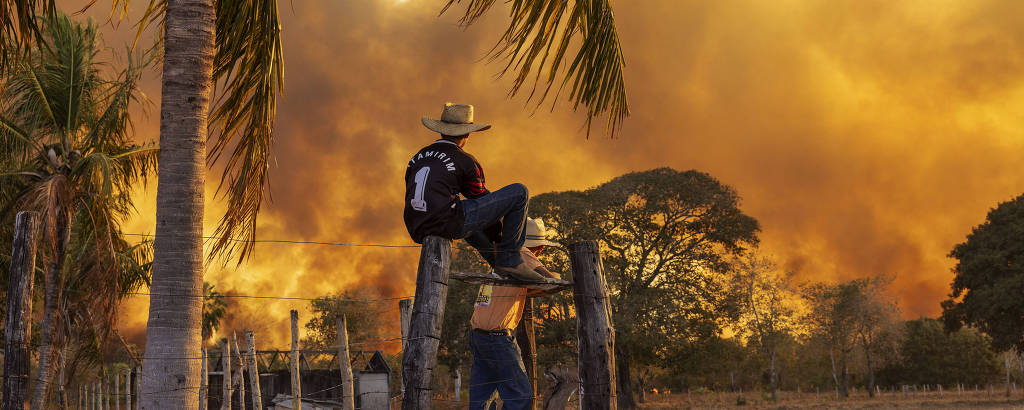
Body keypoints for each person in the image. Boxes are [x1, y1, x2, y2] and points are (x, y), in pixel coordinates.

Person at [404, 102, 552, 281]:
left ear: (441, 130)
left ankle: (498, 264)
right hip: (446, 222)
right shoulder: (465, 160)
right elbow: (480, 197)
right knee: (520, 192)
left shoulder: (417, 158)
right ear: (467, 133)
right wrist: (498, 235)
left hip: (416, 227)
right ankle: (510, 261)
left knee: (466, 217)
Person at [469, 218, 559, 410]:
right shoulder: (521, 253)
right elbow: (551, 281)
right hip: (497, 338)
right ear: (540, 247)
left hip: (478, 336)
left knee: (482, 399)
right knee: (521, 396)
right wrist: (559, 278)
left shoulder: (499, 256)